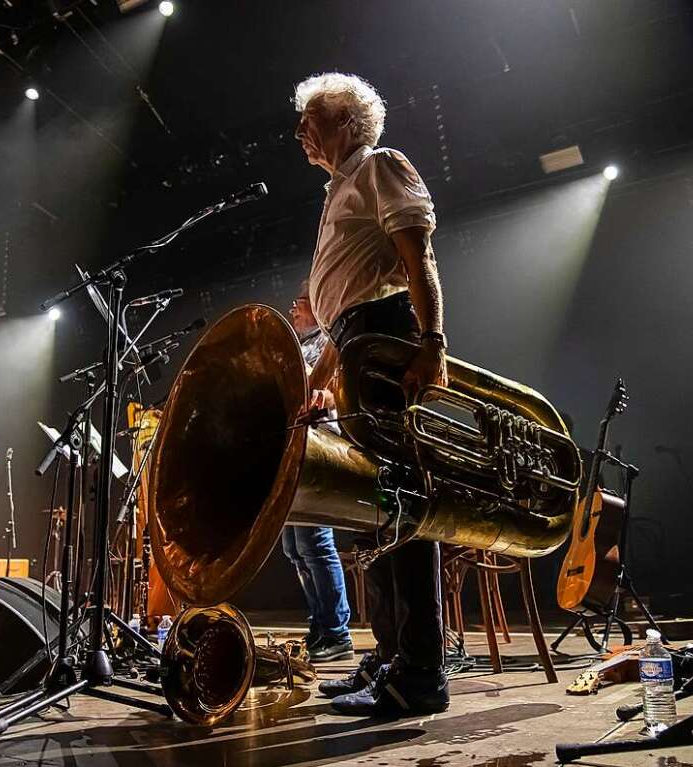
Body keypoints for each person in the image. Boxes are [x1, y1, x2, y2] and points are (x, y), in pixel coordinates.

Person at [293, 72, 449, 717]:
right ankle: (388, 657)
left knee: (401, 505)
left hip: (385, 337)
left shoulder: (380, 164)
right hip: (356, 341)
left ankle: (419, 674)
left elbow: (417, 261)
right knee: (375, 512)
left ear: (351, 126)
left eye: (316, 118)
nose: (302, 129)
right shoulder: (338, 192)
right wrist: (316, 377)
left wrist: (432, 340)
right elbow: (344, 306)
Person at [279, 282, 353, 663]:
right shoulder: (296, 344)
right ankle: (320, 625)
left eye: (301, 302)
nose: (293, 306)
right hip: (295, 449)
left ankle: (337, 631)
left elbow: (337, 390)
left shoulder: (329, 345)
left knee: (314, 544)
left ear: (320, 310)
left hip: (320, 446)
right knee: (294, 547)